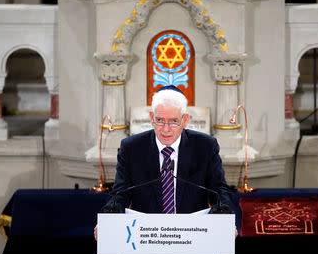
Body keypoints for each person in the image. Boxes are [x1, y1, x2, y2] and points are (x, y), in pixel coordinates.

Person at [95, 85, 234, 238]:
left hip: (193, 236)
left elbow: (219, 191)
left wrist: (225, 220)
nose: (166, 129)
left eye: (174, 121)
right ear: (151, 117)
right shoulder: (132, 148)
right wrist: (107, 221)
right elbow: (120, 194)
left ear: (185, 119)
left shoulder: (205, 147)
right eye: (160, 120)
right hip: (146, 236)